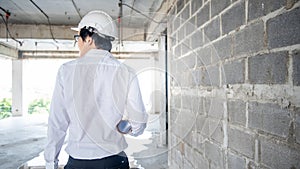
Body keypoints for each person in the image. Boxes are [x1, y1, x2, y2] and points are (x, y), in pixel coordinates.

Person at [44, 10, 148, 169]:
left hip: (78, 162)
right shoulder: (126, 72)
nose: (77, 43)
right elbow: (138, 124)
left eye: (78, 38)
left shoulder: (66, 71)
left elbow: (57, 123)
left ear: (89, 38)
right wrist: (123, 127)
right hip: (115, 161)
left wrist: (51, 163)